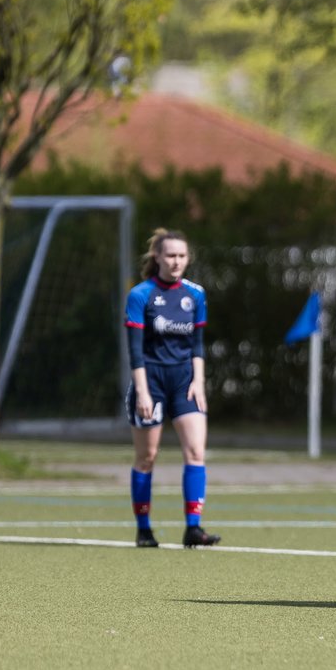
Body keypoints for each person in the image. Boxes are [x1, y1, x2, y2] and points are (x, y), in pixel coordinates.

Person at [124, 228, 220, 549]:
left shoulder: (195, 295)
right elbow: (135, 351)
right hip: (150, 381)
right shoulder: (140, 295)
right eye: (170, 255)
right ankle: (144, 529)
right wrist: (142, 392)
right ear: (158, 257)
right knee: (147, 456)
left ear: (187, 258)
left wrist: (199, 382)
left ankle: (193, 528)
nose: (176, 261)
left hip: (184, 382)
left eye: (181, 255)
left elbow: (198, 344)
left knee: (195, 451)